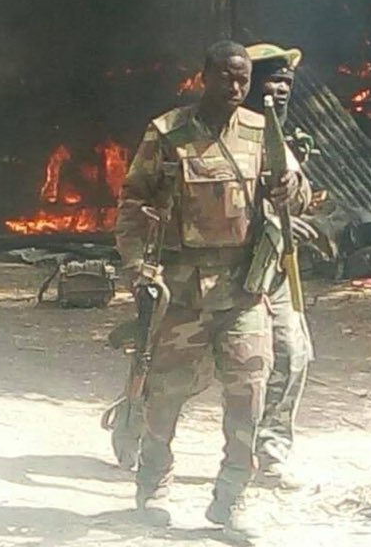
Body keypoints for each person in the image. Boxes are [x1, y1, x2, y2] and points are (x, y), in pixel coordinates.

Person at [115, 40, 311, 540]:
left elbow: (299, 191)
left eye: (242, 78)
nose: (235, 86)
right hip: (181, 291)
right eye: (226, 76)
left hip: (243, 290)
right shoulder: (168, 133)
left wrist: (291, 189)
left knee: (249, 397)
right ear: (204, 76)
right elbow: (133, 204)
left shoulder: (263, 131)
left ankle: (231, 499)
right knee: (165, 397)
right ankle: (153, 486)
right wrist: (138, 269)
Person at [244, 42, 315, 489]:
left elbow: (300, 197)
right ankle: (137, 426)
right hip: (214, 270)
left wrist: (293, 192)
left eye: (287, 82)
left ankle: (270, 450)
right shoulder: (211, 136)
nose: (282, 89)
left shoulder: (280, 140)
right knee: (183, 368)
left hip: (270, 269)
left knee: (291, 353)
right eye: (272, 80)